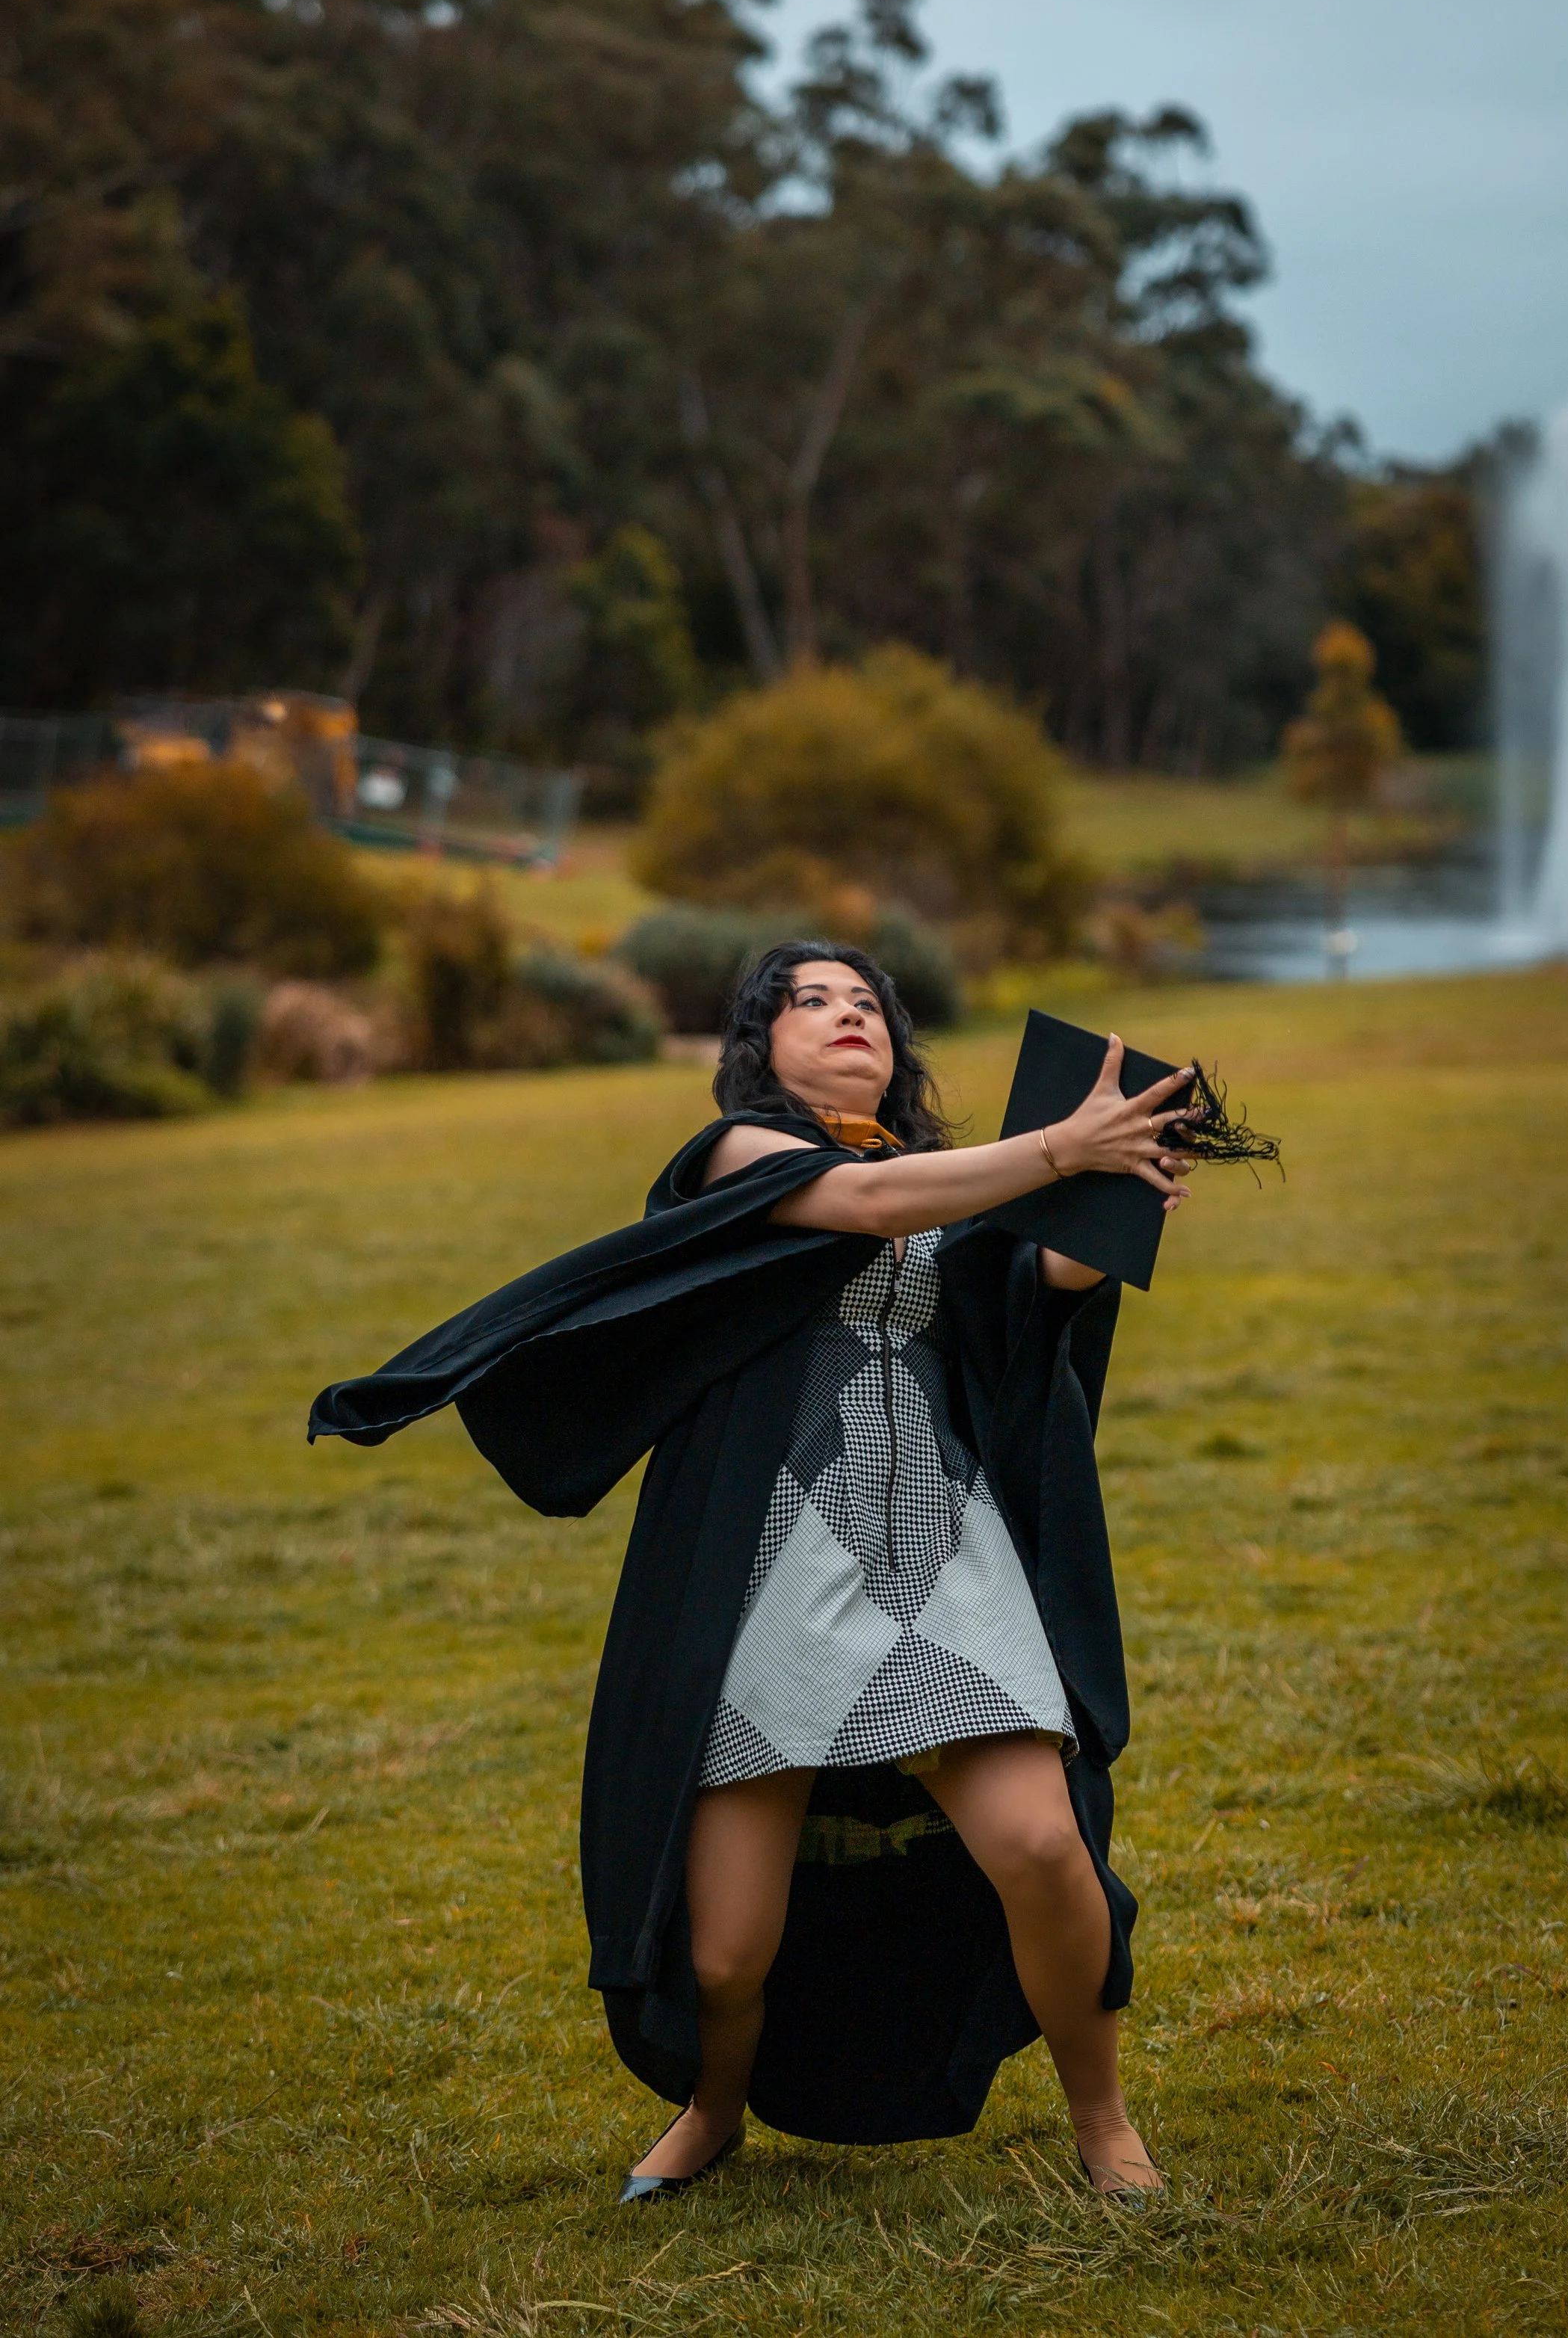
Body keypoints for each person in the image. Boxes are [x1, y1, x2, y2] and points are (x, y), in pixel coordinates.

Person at [309, 940, 1195, 2203]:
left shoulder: (945, 1181)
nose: (849, 1018)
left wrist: (1111, 1203)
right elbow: (872, 1208)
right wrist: (1061, 1151)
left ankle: (1104, 2124)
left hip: (944, 1559)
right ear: (759, 1048)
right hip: (775, 1575)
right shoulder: (739, 1161)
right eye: (812, 1003)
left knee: (1046, 1850)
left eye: (868, 1005)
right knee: (726, 1956)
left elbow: (1030, 1299)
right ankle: (715, 2109)